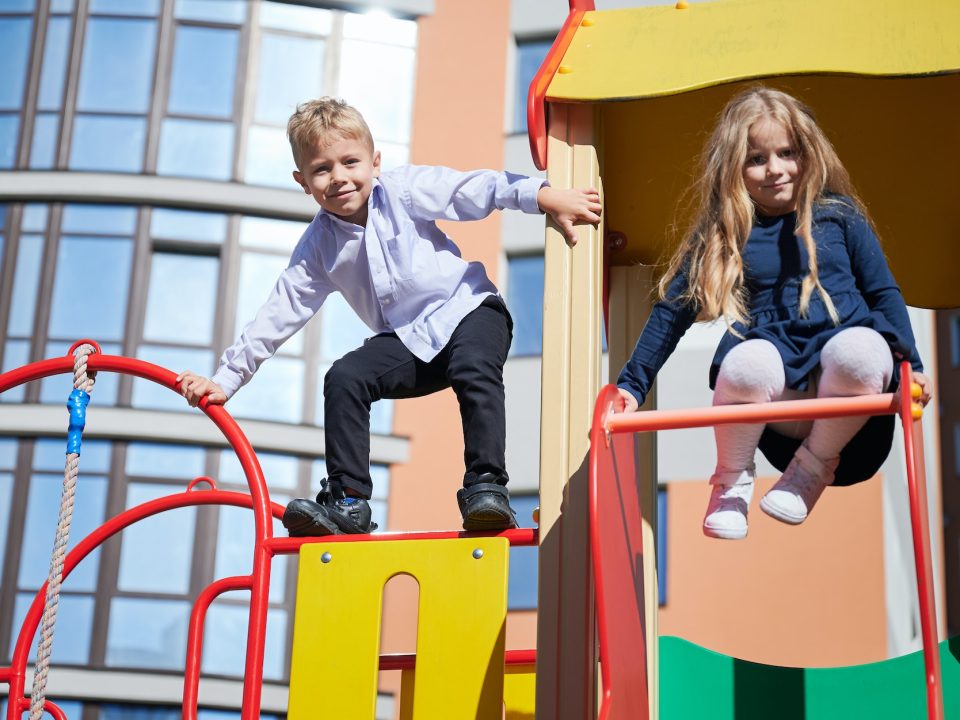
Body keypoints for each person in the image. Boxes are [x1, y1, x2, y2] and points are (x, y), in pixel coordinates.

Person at [177, 97, 601, 536]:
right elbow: (279, 312)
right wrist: (226, 379)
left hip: (470, 309)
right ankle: (349, 502)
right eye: (322, 170)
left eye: (350, 162)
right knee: (344, 378)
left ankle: (486, 487)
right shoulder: (318, 248)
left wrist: (544, 196)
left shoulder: (404, 189)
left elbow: (472, 190)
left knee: (473, 368)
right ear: (303, 182)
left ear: (375, 161)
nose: (339, 178)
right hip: (409, 341)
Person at [614, 86, 932, 540]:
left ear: (808, 154)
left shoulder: (838, 217)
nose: (775, 170)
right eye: (757, 159)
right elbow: (673, 311)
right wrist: (631, 384)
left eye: (787, 153)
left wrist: (913, 368)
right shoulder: (727, 231)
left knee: (858, 349)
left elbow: (883, 292)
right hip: (785, 413)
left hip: (854, 416)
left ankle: (812, 470)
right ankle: (731, 481)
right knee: (747, 360)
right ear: (733, 169)